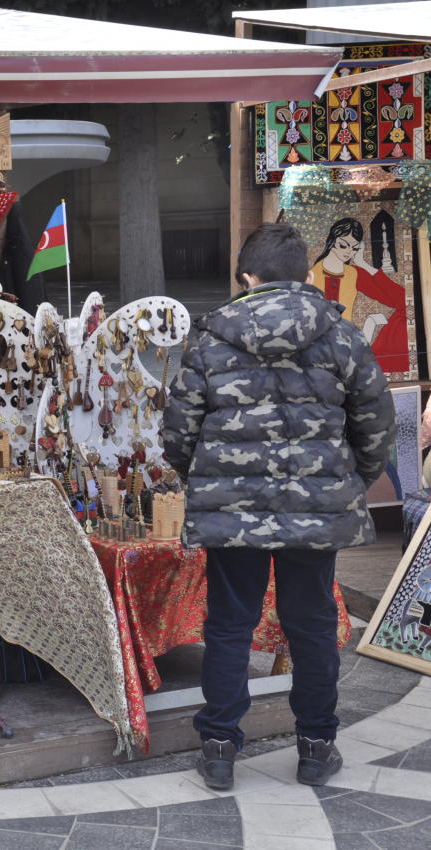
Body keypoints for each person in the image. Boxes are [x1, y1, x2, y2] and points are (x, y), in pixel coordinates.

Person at [163, 222, 395, 792]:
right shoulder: (341, 337)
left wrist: (208, 479)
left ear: (248, 276)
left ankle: (219, 747)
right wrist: (346, 483)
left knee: (228, 627)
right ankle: (316, 747)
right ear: (303, 274)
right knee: (311, 625)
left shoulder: (211, 339)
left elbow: (177, 433)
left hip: (231, 511)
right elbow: (378, 427)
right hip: (316, 511)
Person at [309, 217, 409, 374]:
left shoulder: (354, 273)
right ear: (331, 241)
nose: (348, 252)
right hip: (317, 349)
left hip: (346, 347)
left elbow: (403, 300)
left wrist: (363, 264)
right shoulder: (311, 275)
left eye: (354, 248)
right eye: (343, 245)